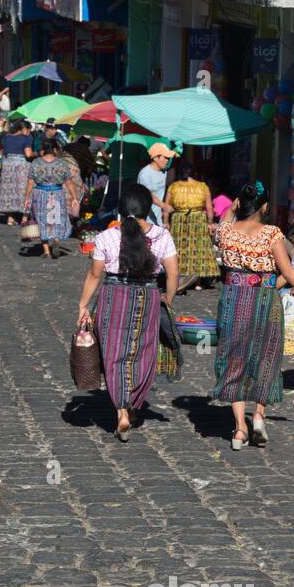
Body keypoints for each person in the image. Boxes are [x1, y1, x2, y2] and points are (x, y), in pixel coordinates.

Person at [213, 182, 294, 451]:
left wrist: (232, 209)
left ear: (240, 203)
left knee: (236, 357)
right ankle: (258, 416)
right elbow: (289, 273)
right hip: (265, 300)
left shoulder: (225, 232)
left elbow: (223, 222)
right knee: (267, 355)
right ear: (265, 207)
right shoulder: (272, 234)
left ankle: (239, 429)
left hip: (234, 299)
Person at [76, 184, 179, 442]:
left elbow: (94, 274)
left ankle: (121, 410)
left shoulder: (106, 238)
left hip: (114, 297)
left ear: (120, 211)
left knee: (114, 353)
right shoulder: (162, 236)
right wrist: (168, 297)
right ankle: (133, 402)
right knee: (143, 351)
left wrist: (83, 305)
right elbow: (174, 273)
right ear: (149, 208)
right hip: (148, 297)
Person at [165, 160, 217, 291]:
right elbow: (209, 208)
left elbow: (166, 207)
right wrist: (210, 223)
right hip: (198, 219)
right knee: (197, 249)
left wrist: (166, 222)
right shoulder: (202, 186)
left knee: (180, 249)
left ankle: (180, 280)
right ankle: (197, 282)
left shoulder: (173, 187)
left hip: (179, 219)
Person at [24, 140, 73, 259]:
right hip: (57, 193)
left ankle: (46, 251)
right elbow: (68, 181)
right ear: (55, 149)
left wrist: (26, 197)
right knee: (57, 217)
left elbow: (30, 181)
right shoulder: (61, 163)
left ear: (43, 150)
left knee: (42, 220)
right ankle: (56, 239)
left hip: (40, 193)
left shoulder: (36, 163)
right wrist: (74, 197)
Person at [0, 119, 34, 224]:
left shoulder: (6, 137)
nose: (29, 132)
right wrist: (36, 154)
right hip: (21, 166)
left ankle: (10, 218)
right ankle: (24, 218)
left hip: (8, 165)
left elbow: (4, 151)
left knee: (9, 190)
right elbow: (28, 154)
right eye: (29, 130)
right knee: (25, 191)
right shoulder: (27, 138)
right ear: (23, 129)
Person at [137, 143, 176, 227]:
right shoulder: (145, 173)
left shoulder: (164, 171)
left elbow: (168, 190)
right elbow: (148, 194)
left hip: (158, 220)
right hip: (145, 220)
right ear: (155, 158)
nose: (167, 160)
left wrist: (165, 220)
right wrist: (164, 206)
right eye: (165, 157)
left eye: (168, 158)